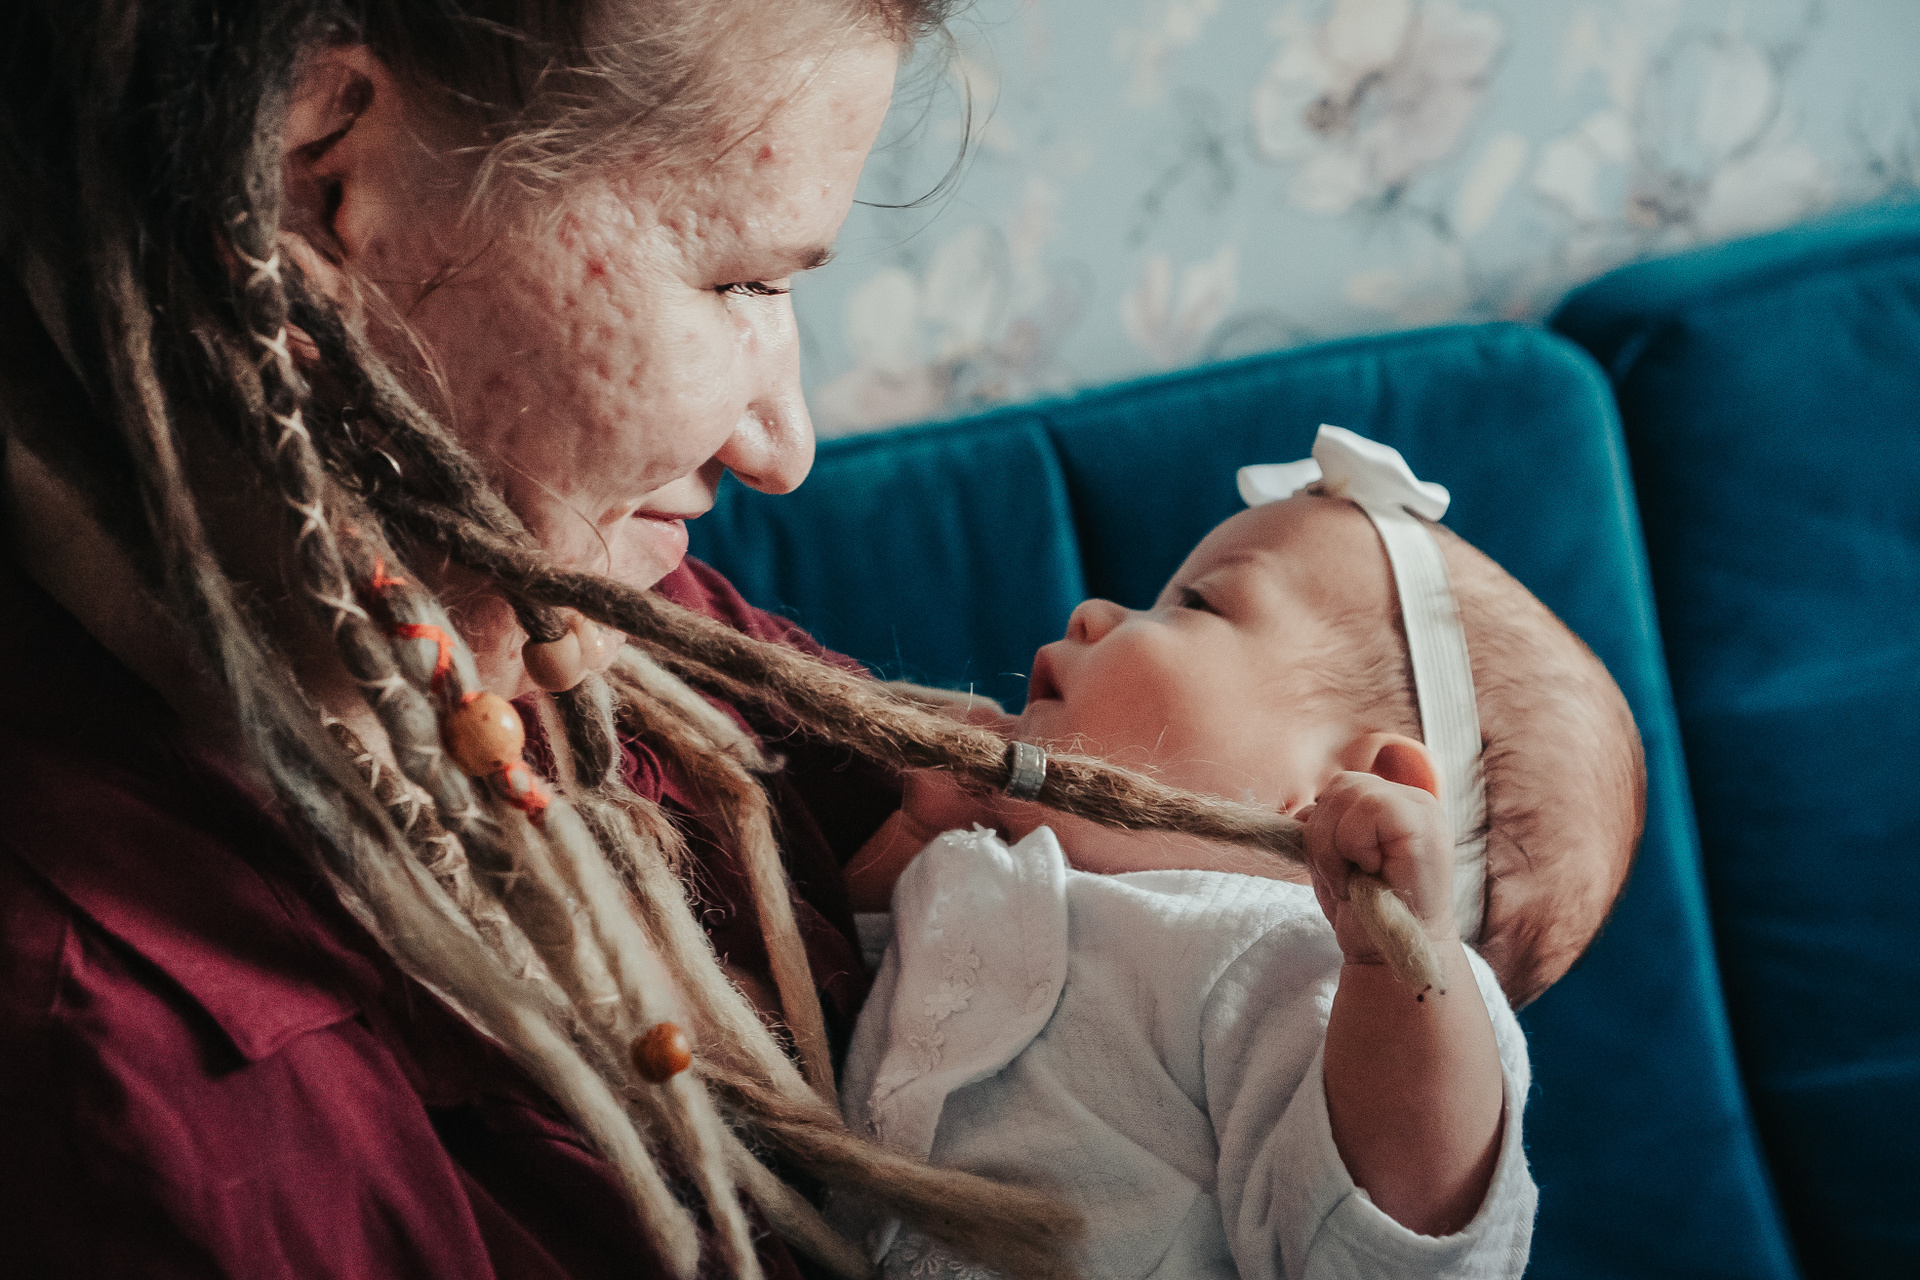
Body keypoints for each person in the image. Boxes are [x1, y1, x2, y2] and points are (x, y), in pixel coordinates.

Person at [0, 5, 1635, 1278]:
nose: (784, 443)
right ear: (321, 165)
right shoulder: (141, 1074)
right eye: (739, 278)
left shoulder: (597, 618)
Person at [835, 432, 1645, 1278]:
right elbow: (828, 986)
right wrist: (917, 838)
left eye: (1194, 605)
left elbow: (1395, 1243)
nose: (1093, 613)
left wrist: (1403, 954)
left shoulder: (1305, 966)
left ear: (1360, 786)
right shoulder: (996, 867)